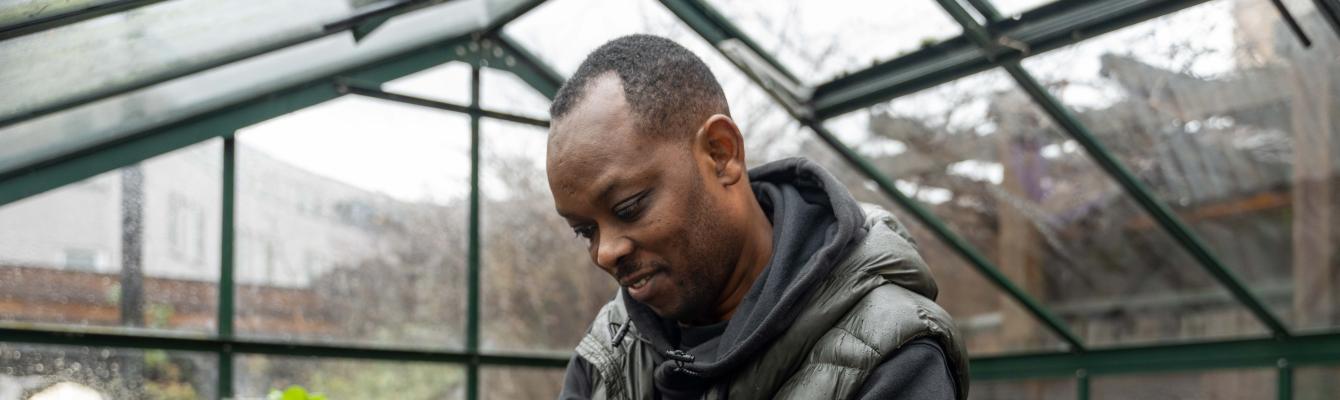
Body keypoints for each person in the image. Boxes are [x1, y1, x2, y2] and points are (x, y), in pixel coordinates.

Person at [545, 34, 969, 400]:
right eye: (585, 231)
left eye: (629, 207)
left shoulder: (888, 351)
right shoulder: (611, 347)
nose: (606, 252)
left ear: (721, 153)